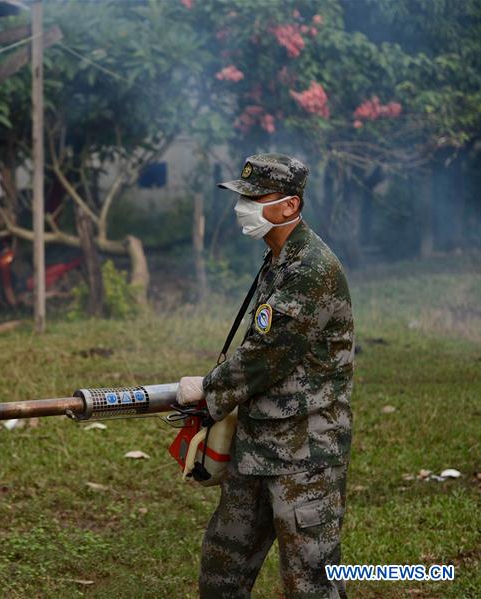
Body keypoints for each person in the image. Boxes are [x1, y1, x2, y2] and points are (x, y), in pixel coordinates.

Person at [176, 154, 355, 598]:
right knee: (223, 567)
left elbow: (266, 356)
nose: (244, 206)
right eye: (243, 196)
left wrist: (208, 387)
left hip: (305, 451)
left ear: (290, 207)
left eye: (255, 198)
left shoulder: (312, 269)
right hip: (257, 442)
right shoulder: (277, 259)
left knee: (311, 581)